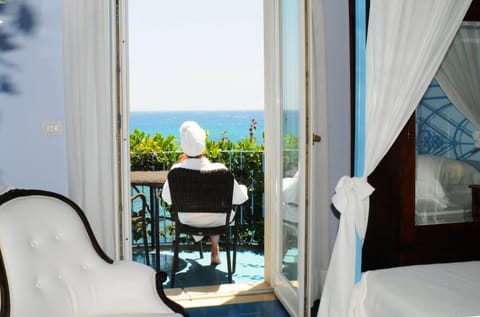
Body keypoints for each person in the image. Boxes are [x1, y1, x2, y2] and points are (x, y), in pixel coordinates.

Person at [161, 121, 248, 265]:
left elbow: (167, 198)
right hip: (218, 221)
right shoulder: (220, 170)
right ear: (203, 146)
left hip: (188, 221)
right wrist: (244, 188)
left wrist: (182, 164)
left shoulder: (176, 171)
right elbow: (240, 198)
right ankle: (215, 248)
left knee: (204, 211)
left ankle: (213, 247)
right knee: (215, 211)